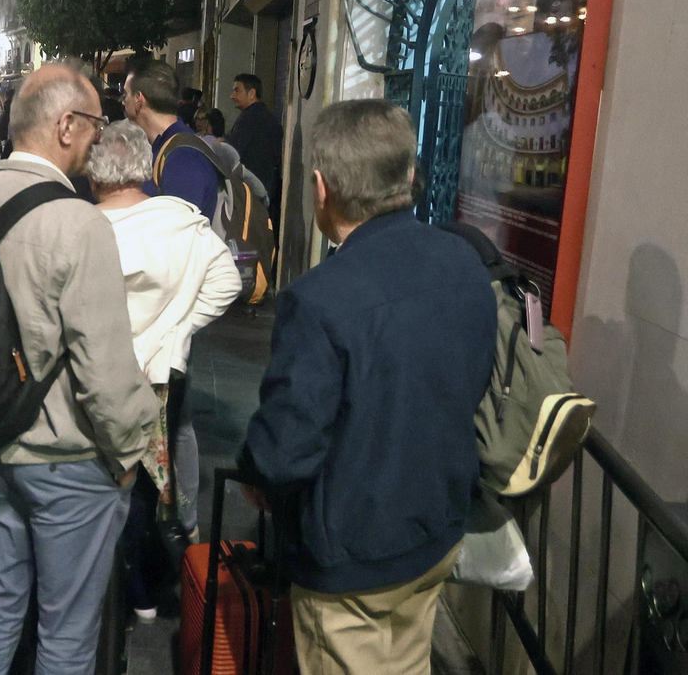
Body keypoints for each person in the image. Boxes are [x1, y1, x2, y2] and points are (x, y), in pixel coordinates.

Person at [238, 99, 496, 674]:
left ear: (322, 188)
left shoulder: (320, 298)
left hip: (355, 555)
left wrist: (256, 470)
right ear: (407, 177)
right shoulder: (463, 261)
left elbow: (285, 446)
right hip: (436, 527)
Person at [0, 63, 155, 675]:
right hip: (66, 460)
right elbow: (105, 371)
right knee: (66, 634)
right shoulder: (79, 223)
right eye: (93, 124)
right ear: (65, 125)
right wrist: (128, 454)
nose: (97, 138)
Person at [87, 121, 241, 622]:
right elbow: (226, 281)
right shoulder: (178, 222)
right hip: (159, 374)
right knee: (150, 484)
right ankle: (144, 591)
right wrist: (179, 328)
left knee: (97, 478)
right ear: (142, 167)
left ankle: (101, 584)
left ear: (94, 173)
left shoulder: (84, 228)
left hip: (98, 372)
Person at [123, 54, 218, 217]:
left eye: (125, 94)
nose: (123, 101)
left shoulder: (183, 158)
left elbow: (177, 233)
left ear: (139, 99)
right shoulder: (166, 145)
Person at [226, 73, 283, 219]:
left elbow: (233, 152)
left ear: (252, 93)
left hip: (250, 190)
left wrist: (222, 144)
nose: (232, 96)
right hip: (269, 189)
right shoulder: (270, 117)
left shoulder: (249, 118)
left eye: (237, 90)